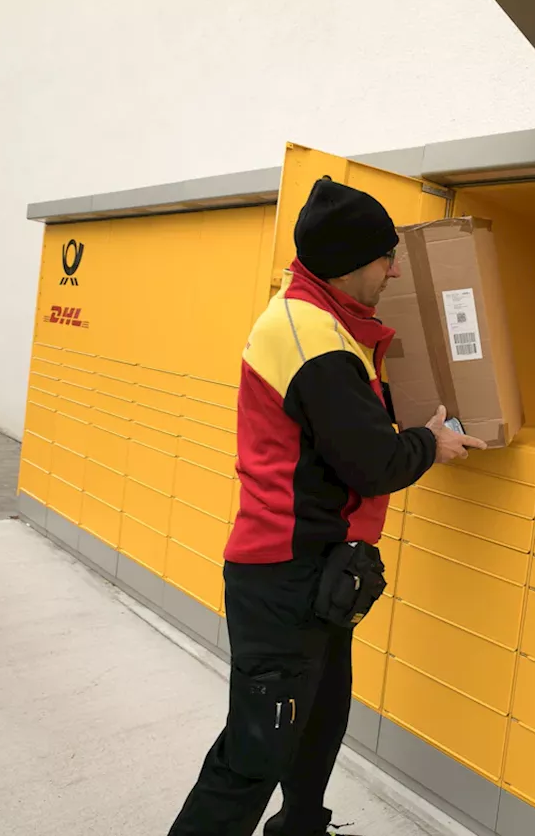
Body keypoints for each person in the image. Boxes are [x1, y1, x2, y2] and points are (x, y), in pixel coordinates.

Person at [168, 178, 485, 836]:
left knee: (319, 718)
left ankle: (302, 826)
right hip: (284, 576)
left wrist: (405, 420)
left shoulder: (320, 321)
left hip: (318, 574)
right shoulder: (312, 336)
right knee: (256, 749)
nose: (393, 269)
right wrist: (434, 441)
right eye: (384, 257)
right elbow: (374, 462)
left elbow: (341, 427)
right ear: (350, 260)